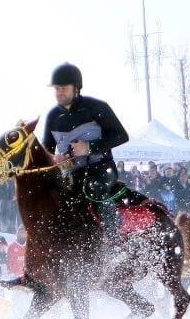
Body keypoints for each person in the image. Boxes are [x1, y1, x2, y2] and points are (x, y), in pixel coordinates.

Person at [44, 63, 130, 244]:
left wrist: (89, 147)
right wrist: (55, 159)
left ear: (76, 88)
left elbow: (121, 135)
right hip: (71, 174)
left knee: (93, 188)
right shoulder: (52, 116)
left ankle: (116, 242)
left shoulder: (96, 107)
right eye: (56, 88)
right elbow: (47, 150)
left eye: (63, 88)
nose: (59, 92)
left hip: (101, 168)